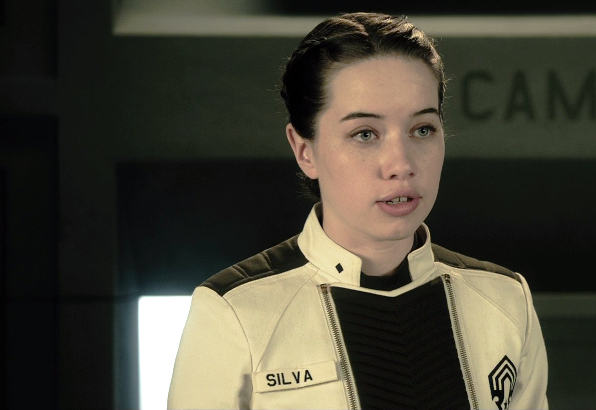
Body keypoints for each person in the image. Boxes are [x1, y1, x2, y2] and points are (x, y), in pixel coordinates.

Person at [167, 12, 549, 410]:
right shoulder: (235, 312)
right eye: (365, 134)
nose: (401, 164)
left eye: (422, 129)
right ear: (305, 150)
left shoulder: (505, 301)